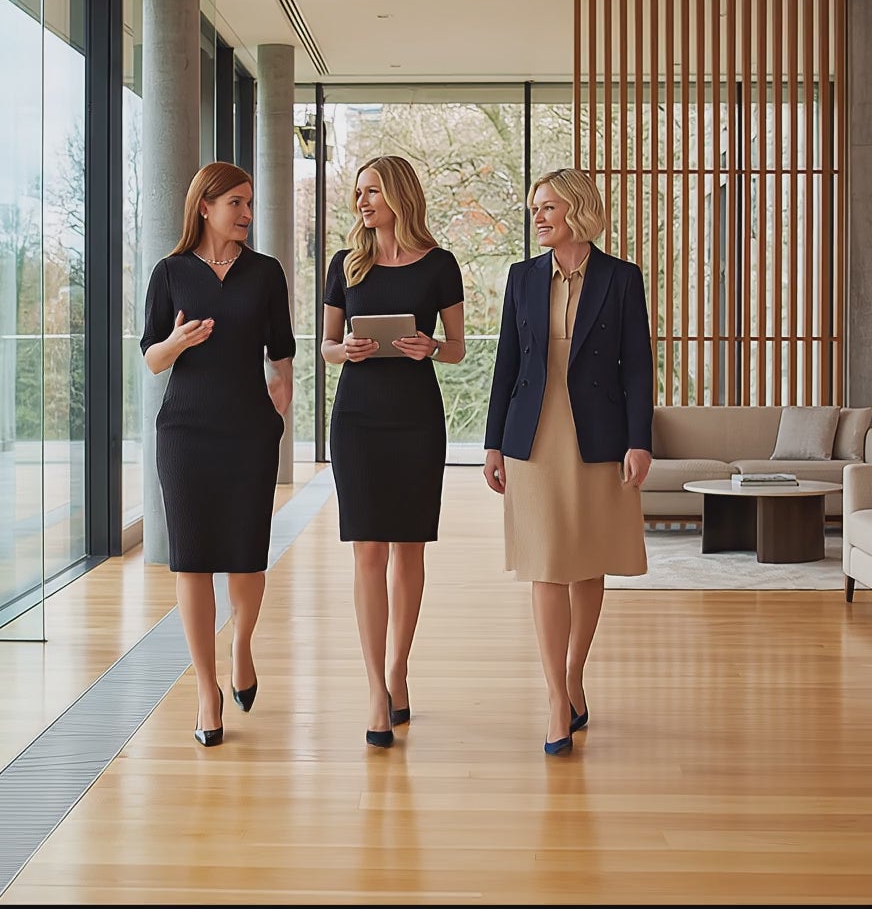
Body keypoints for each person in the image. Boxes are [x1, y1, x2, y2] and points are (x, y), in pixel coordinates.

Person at [482, 168, 653, 756]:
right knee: (546, 562)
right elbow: (506, 363)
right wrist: (493, 443)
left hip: (598, 434)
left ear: (577, 210)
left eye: (548, 207)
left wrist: (639, 441)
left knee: (587, 561)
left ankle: (574, 673)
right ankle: (556, 698)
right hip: (532, 434)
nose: (538, 217)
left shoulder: (622, 278)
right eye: (535, 207)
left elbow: (638, 366)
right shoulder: (521, 277)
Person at [140, 161, 295, 748]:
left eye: (250, 203)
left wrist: (283, 386)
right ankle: (207, 691)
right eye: (237, 203)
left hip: (250, 431)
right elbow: (151, 358)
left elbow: (281, 347)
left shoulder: (266, 273)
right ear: (204, 206)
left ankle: (241, 644)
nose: (247, 213)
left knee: (247, 558)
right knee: (193, 560)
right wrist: (176, 342)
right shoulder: (170, 272)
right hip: (185, 433)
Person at [320, 155, 466, 749]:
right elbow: (326, 345)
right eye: (359, 192)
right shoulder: (345, 264)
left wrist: (429, 346)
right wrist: (346, 350)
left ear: (400, 195)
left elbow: (457, 348)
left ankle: (398, 667)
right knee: (367, 551)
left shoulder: (440, 264)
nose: (362, 201)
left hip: (416, 420)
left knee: (409, 549)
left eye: (373, 191)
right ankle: (375, 689)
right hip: (357, 420)